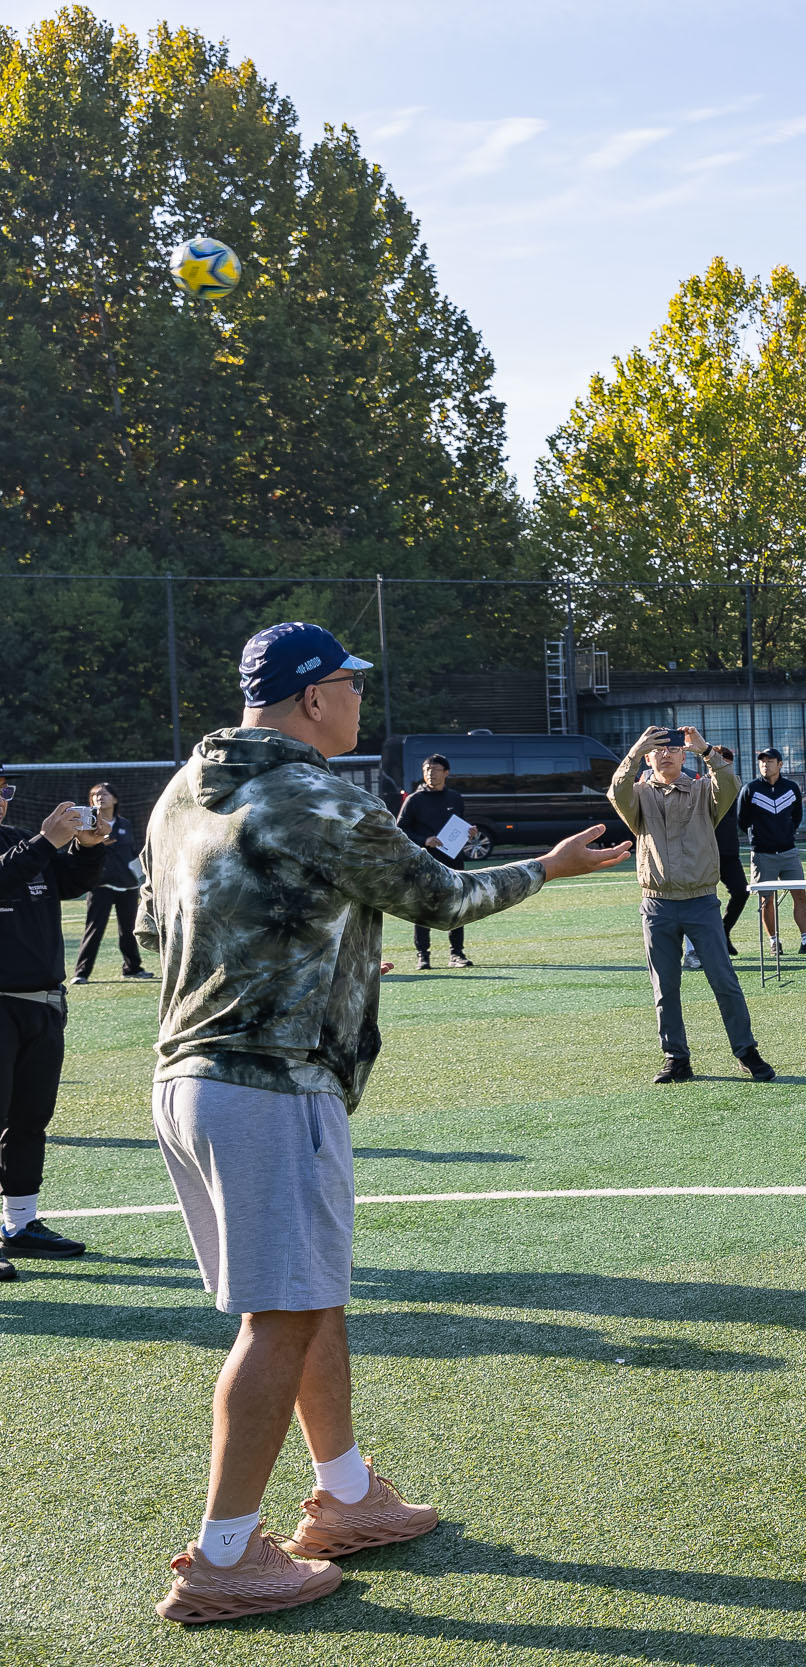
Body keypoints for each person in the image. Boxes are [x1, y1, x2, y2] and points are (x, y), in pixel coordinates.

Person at [140, 621, 629, 1624]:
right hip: (271, 1083)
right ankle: (223, 1555)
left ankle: (348, 1493)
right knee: (278, 1314)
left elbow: (156, 930)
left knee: (305, 1296)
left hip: (187, 1079)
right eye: (352, 683)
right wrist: (552, 866)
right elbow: (441, 894)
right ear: (313, 696)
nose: (362, 697)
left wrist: (313, 949)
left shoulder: (179, 790)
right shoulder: (312, 790)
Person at [609, 726, 776, 1084]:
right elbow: (615, 791)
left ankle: (746, 1051)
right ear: (648, 758)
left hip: (701, 901)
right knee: (664, 987)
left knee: (725, 981)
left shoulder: (703, 790)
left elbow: (730, 786)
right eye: (657, 750)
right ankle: (675, 1058)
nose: (666, 754)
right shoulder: (638, 795)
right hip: (657, 905)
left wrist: (707, 751)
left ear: (684, 756)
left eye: (673, 749)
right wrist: (635, 750)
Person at [0, 765, 111, 1280]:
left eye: (3, 791)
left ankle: (19, 1225)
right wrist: (46, 841)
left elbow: (71, 882)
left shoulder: (21, 840)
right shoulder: (29, 846)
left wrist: (88, 847)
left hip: (42, 1003)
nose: (1, 800)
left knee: (29, 1121)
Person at [392, 754, 474, 970]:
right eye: (427, 769)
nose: (431, 773)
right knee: (423, 909)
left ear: (446, 773)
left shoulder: (455, 797)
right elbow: (400, 830)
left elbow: (460, 825)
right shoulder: (414, 800)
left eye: (436, 769)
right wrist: (425, 840)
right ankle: (423, 956)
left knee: (457, 907)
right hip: (425, 862)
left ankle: (456, 954)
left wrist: (470, 832)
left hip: (453, 862)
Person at [738, 748, 806, 956]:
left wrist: (785, 834)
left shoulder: (791, 788)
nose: (765, 764)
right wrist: (759, 837)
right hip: (762, 854)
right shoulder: (750, 789)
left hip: (789, 852)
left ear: (780, 764)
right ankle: (774, 942)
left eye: (770, 760)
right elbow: (742, 820)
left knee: (800, 896)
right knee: (766, 899)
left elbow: (797, 816)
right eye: (762, 761)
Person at [72, 780, 148, 983]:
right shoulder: (88, 825)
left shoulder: (125, 825)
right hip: (100, 885)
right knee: (94, 929)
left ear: (115, 799)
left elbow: (133, 852)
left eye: (104, 794)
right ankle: (81, 973)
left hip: (127, 884)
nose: (100, 797)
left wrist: (142, 876)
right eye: (96, 794)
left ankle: (132, 968)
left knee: (129, 929)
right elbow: (79, 850)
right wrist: (95, 844)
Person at [706, 745, 750, 960]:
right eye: (720, 760)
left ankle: (724, 931)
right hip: (705, 853)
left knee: (742, 891)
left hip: (729, 852)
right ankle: (708, 944)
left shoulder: (735, 785)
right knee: (705, 898)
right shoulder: (701, 786)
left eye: (727, 760)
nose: (725, 764)